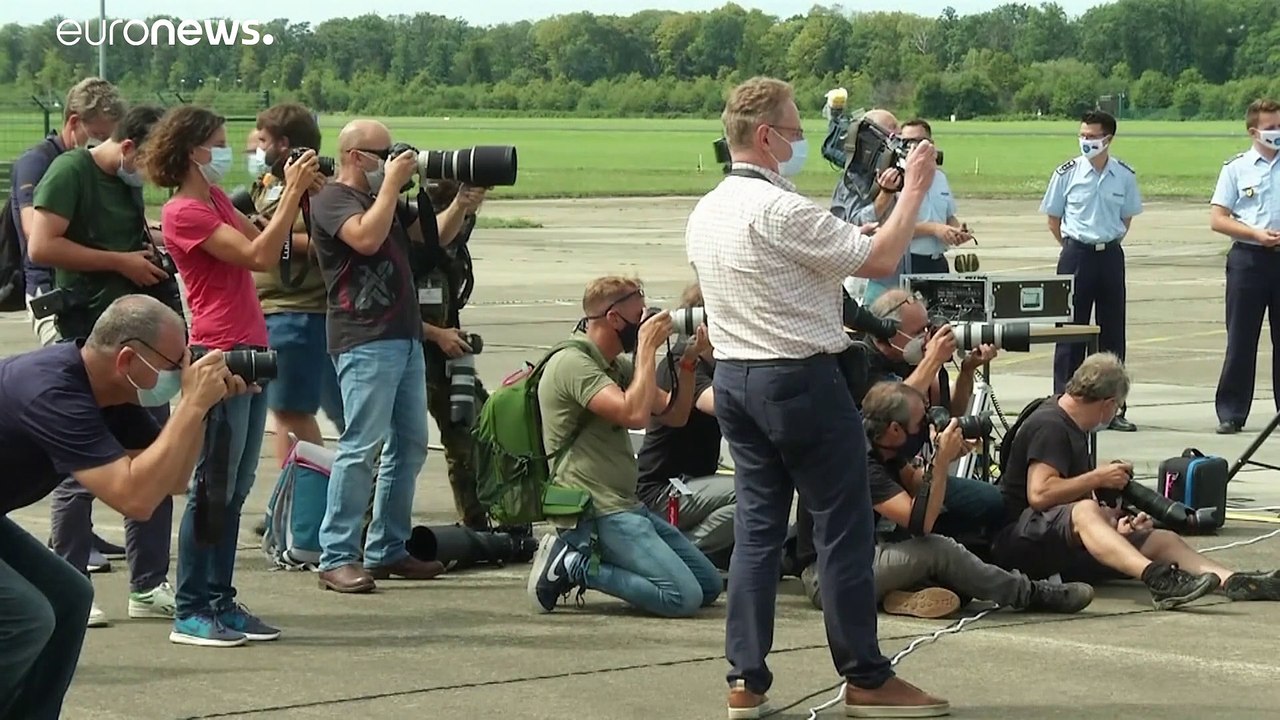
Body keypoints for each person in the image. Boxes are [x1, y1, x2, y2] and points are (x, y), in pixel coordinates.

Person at [685, 76, 947, 719]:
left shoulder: (708, 207)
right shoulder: (779, 209)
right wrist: (914, 188)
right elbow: (882, 260)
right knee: (842, 530)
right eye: (797, 131)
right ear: (767, 137)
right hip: (797, 380)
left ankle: (745, 678)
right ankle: (864, 672)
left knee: (757, 532)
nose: (803, 142)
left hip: (738, 382)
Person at [0, 294, 248, 720]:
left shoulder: (114, 395)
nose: (181, 372)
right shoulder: (52, 388)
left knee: (70, 596)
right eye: (175, 362)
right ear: (129, 358)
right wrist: (190, 403)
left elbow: (166, 482)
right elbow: (130, 497)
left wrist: (200, 410)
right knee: (27, 617)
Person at [143, 103, 320, 647]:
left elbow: (269, 239)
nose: (228, 151)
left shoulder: (215, 199)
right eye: (219, 142)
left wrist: (299, 199)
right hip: (218, 356)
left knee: (236, 486)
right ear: (195, 150)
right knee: (211, 488)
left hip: (248, 348)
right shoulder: (183, 213)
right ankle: (193, 608)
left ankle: (220, 598)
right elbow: (260, 256)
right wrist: (291, 191)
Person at [26, 103, 178, 629]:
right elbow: (42, 244)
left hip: (138, 351)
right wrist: (120, 262)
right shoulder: (72, 170)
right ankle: (70, 581)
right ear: (130, 146)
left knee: (155, 457)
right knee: (79, 470)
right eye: (155, 161)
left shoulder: (129, 185)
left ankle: (149, 583)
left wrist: (150, 252)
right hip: (89, 347)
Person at [308, 119, 467, 593]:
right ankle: (336, 555)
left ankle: (387, 547)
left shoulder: (388, 202)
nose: (397, 159)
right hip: (363, 338)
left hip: (404, 336)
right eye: (385, 153)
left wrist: (464, 200)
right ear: (356, 156)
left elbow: (433, 236)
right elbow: (366, 239)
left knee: (411, 444)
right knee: (361, 447)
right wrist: (393, 185)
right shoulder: (332, 199)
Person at [991, 352, 1280, 609]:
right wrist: (1098, 477)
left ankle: (1233, 582)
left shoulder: (1072, 425)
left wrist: (1114, 523)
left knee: (1162, 539)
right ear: (1108, 405)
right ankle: (1157, 579)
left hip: (1055, 539)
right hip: (1021, 540)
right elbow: (1039, 494)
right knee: (1086, 512)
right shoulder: (1050, 425)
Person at [799, 381, 1095, 617]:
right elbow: (921, 522)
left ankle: (903, 594)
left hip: (862, 555)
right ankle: (1029, 594)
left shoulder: (879, 444)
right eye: (920, 422)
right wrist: (940, 461)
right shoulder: (858, 460)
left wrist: (944, 453)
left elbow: (917, 483)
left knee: (961, 556)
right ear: (895, 429)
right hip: (831, 577)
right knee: (938, 549)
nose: (925, 426)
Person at [525, 276, 723, 618]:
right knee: (682, 598)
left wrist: (689, 362)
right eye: (638, 315)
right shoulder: (573, 364)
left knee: (708, 586)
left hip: (627, 506)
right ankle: (574, 563)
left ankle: (593, 560)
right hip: (595, 510)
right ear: (614, 318)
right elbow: (633, 415)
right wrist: (646, 347)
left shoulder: (615, 366)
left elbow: (675, 416)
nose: (644, 321)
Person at [248, 104, 345, 466]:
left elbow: (336, 246)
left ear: (284, 145)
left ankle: (298, 506)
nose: (254, 151)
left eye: (261, 141)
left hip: (299, 314)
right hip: (278, 313)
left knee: (290, 416)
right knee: (299, 413)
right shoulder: (270, 187)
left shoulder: (322, 191)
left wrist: (274, 236)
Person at [1041, 110, 1141, 432]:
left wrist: (1106, 240)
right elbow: (1054, 219)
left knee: (1112, 333)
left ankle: (1113, 408)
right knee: (1070, 332)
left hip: (1110, 255)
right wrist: (1073, 246)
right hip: (1076, 254)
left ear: (1108, 139)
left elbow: (1126, 218)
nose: (1086, 141)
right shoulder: (1066, 173)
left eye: (1092, 136)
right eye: (1082, 135)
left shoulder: (1124, 175)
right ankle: (1064, 405)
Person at [633, 282, 737, 567]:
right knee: (750, 495)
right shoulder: (680, 362)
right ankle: (680, 555)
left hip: (691, 486)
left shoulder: (711, 362)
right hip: (662, 491)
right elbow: (720, 404)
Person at [416, 179, 491, 530]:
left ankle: (477, 520)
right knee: (394, 447)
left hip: (444, 354)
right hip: (409, 354)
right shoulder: (414, 241)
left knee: (468, 432)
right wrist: (435, 334)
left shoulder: (454, 240)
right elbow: (385, 310)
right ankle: (367, 529)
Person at [1209, 98, 1280, 435]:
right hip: (1249, 260)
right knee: (1241, 339)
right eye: (1271, 128)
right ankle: (1232, 411)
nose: (1277, 132)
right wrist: (1254, 233)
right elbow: (1218, 219)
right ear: (1254, 132)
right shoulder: (1236, 168)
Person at [856, 119, 974, 300]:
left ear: (932, 144)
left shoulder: (940, 178)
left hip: (937, 263)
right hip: (906, 262)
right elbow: (888, 226)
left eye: (919, 141)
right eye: (907, 142)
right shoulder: (893, 179)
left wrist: (957, 231)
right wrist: (935, 229)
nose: (913, 147)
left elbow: (949, 216)